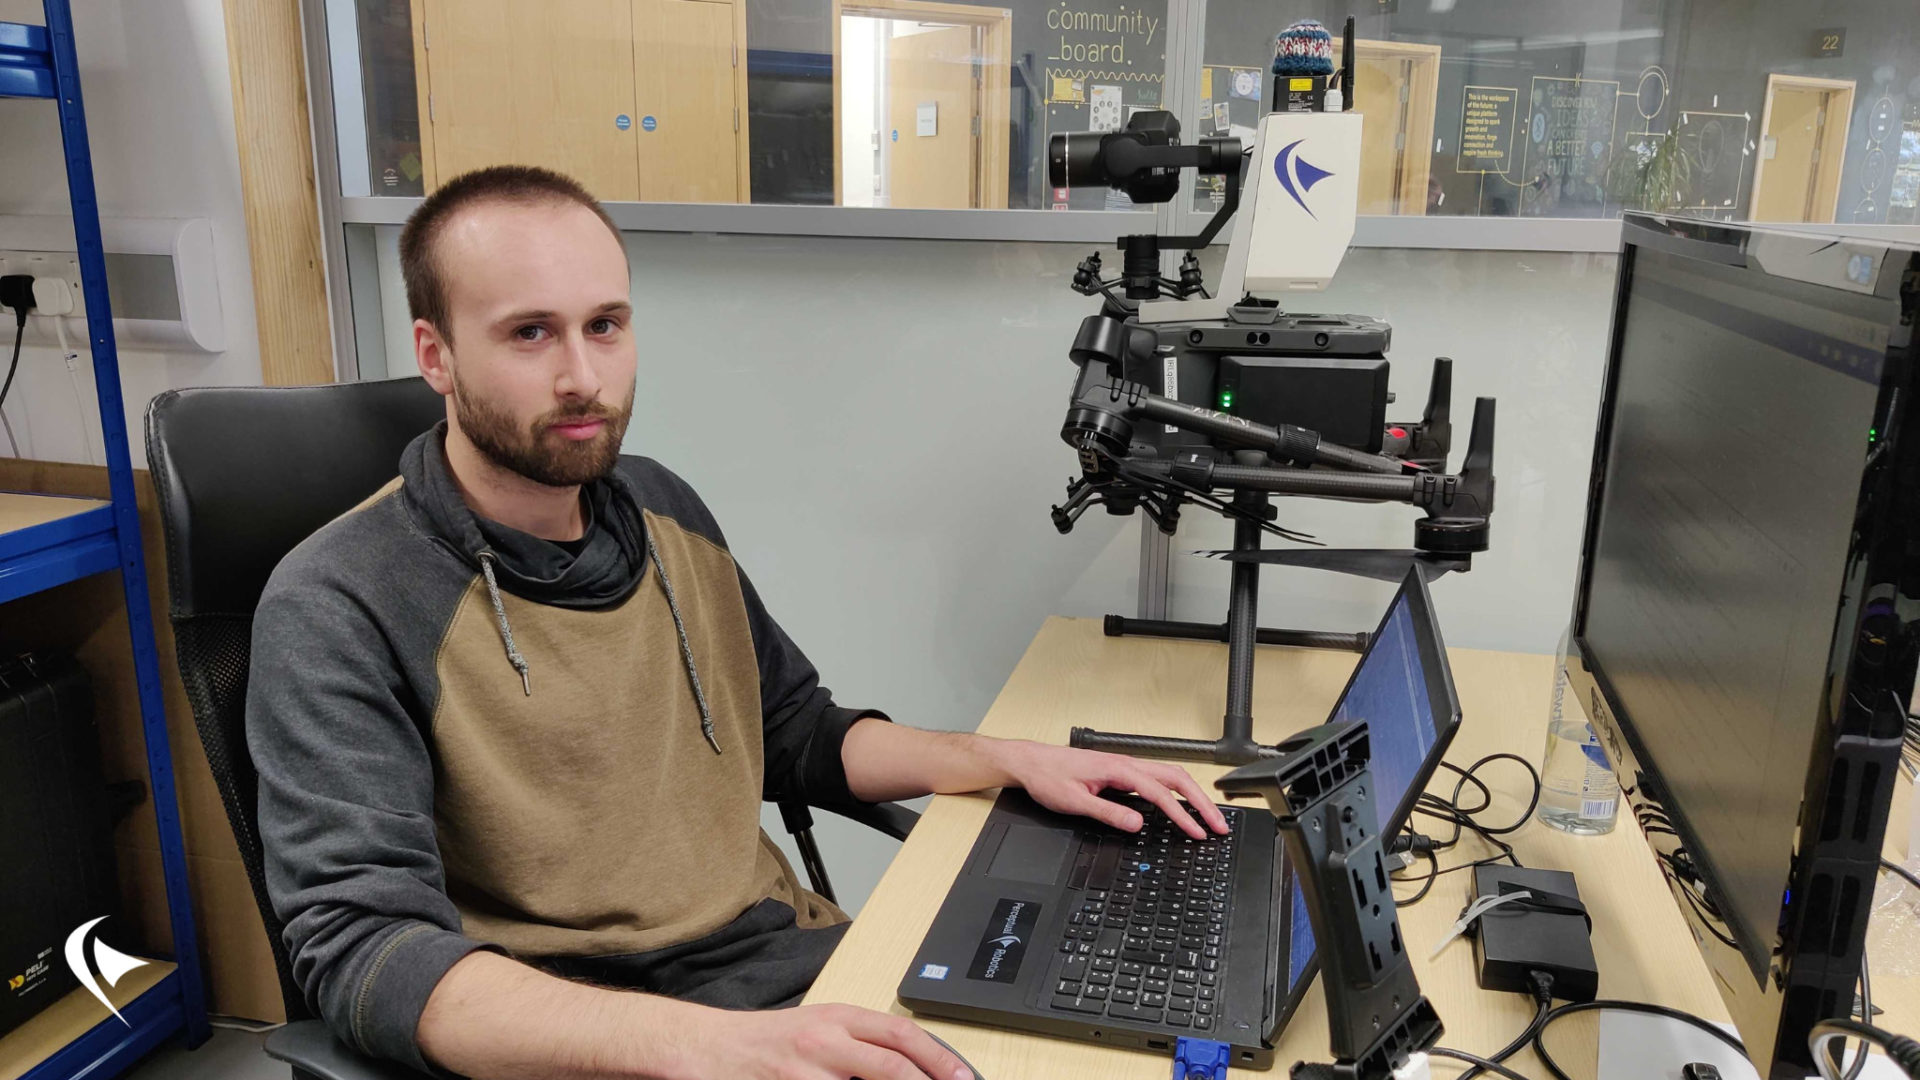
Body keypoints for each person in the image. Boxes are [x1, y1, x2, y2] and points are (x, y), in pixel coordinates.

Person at [247, 164, 1229, 1080]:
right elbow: (370, 956)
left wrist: (1005, 760)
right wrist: (719, 1048)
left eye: (606, 325)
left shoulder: (664, 509)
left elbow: (798, 733)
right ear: (436, 354)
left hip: (777, 970)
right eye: (530, 333)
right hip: (593, 1035)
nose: (584, 376)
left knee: (1120, 1025)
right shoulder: (340, 601)